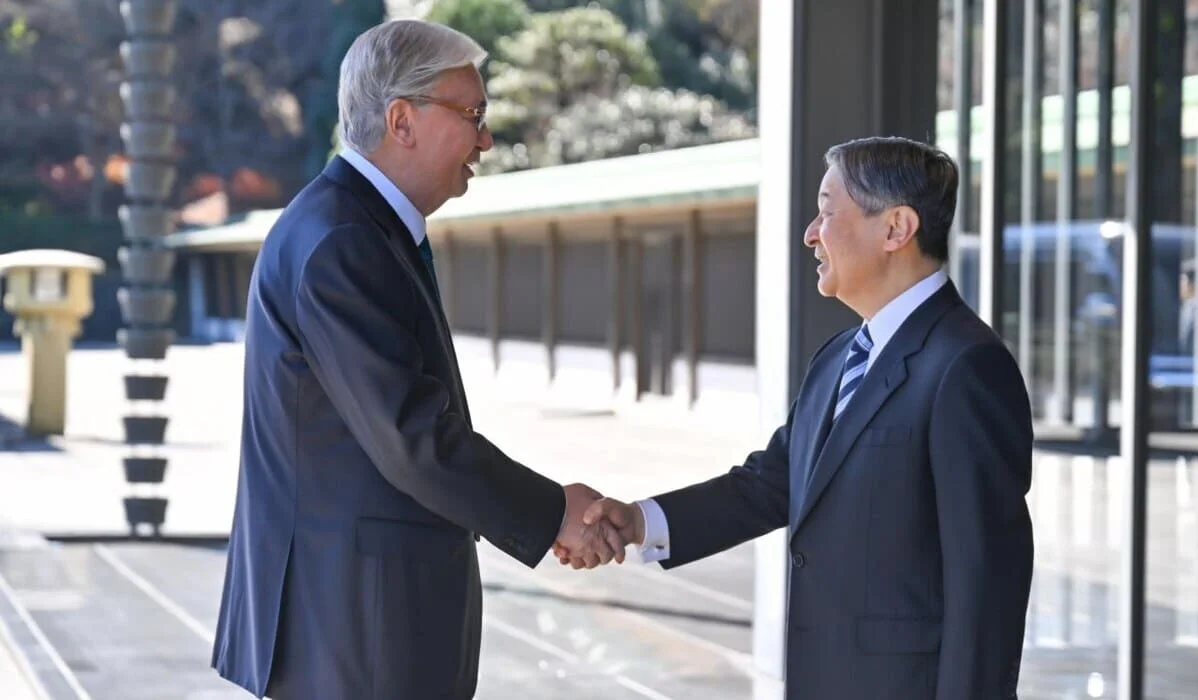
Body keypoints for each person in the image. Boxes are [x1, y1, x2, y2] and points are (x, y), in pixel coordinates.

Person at [211, 19, 620, 700]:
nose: (486, 140)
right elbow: (413, 438)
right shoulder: (343, 240)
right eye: (472, 115)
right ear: (401, 120)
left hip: (355, 621)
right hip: (354, 630)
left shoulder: (354, 226)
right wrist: (553, 512)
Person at [563, 136, 1035, 699]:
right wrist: (641, 522)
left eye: (827, 212)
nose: (811, 233)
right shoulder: (839, 356)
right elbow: (771, 483)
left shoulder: (966, 366)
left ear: (895, 229)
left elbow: (987, 579)